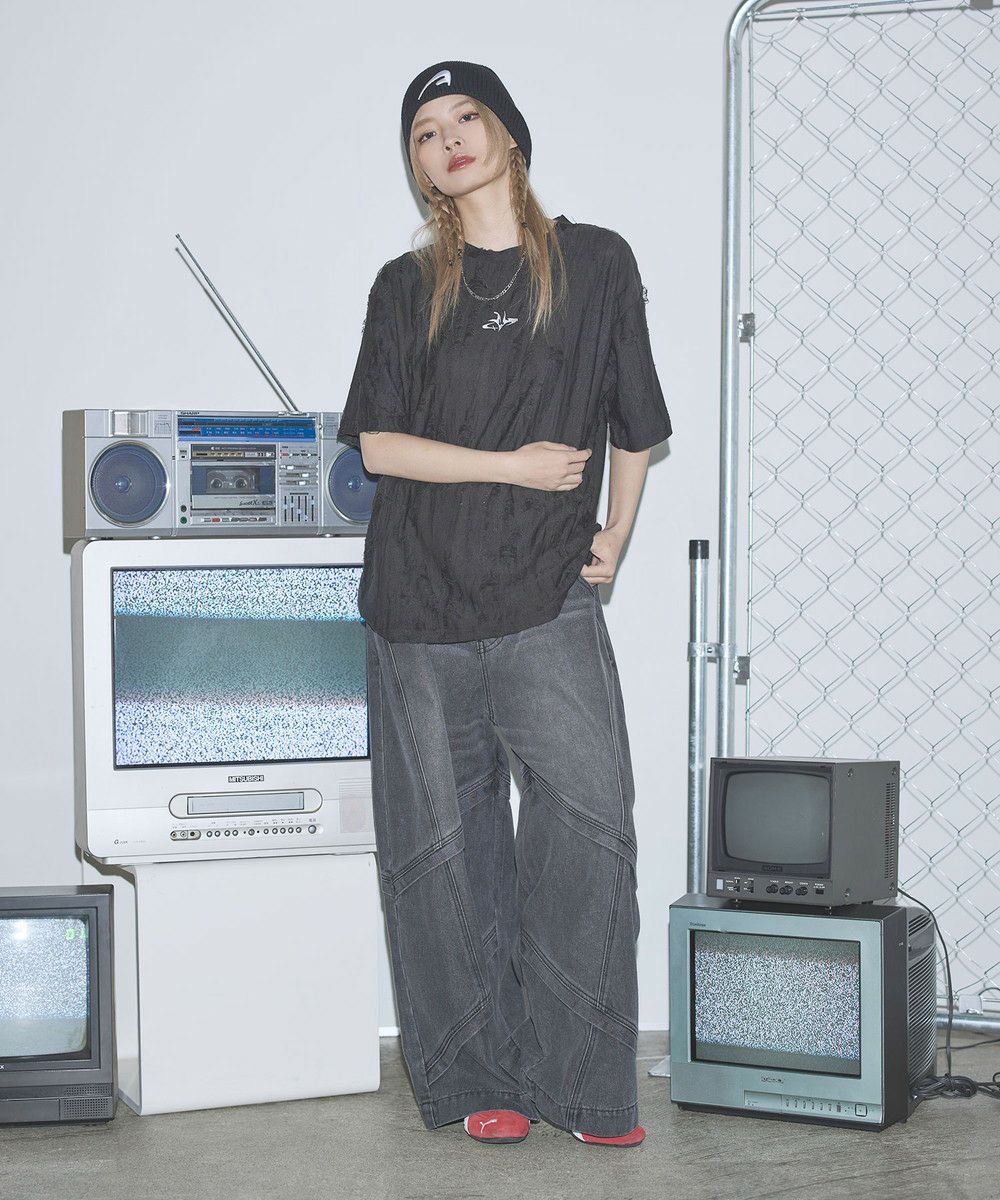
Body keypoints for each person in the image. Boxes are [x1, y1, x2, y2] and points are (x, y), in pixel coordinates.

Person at [336, 60, 672, 1148]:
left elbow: (637, 419)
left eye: (465, 117)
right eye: (424, 132)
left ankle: (586, 1088)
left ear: (509, 132)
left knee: (590, 829)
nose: (448, 140)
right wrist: (512, 467)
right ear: (420, 168)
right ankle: (477, 1077)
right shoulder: (404, 287)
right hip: (417, 605)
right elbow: (378, 446)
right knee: (440, 850)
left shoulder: (596, 261)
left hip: (544, 596)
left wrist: (615, 533)